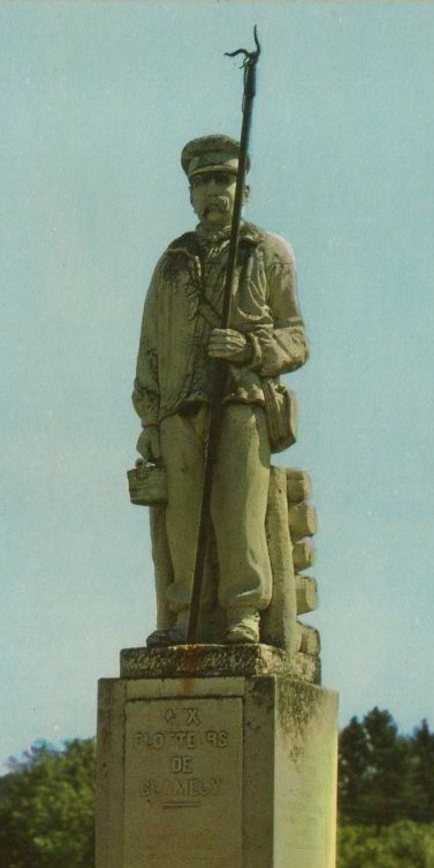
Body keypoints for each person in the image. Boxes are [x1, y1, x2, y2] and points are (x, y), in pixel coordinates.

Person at [133, 134, 309, 647]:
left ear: (244, 189)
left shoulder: (269, 252)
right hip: (178, 408)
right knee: (182, 521)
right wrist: (148, 421)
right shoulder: (172, 261)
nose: (214, 191)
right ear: (190, 194)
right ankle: (185, 611)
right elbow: (150, 347)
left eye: (225, 179)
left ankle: (243, 612)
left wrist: (252, 350)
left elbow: (296, 337)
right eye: (203, 181)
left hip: (241, 400)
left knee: (239, 509)